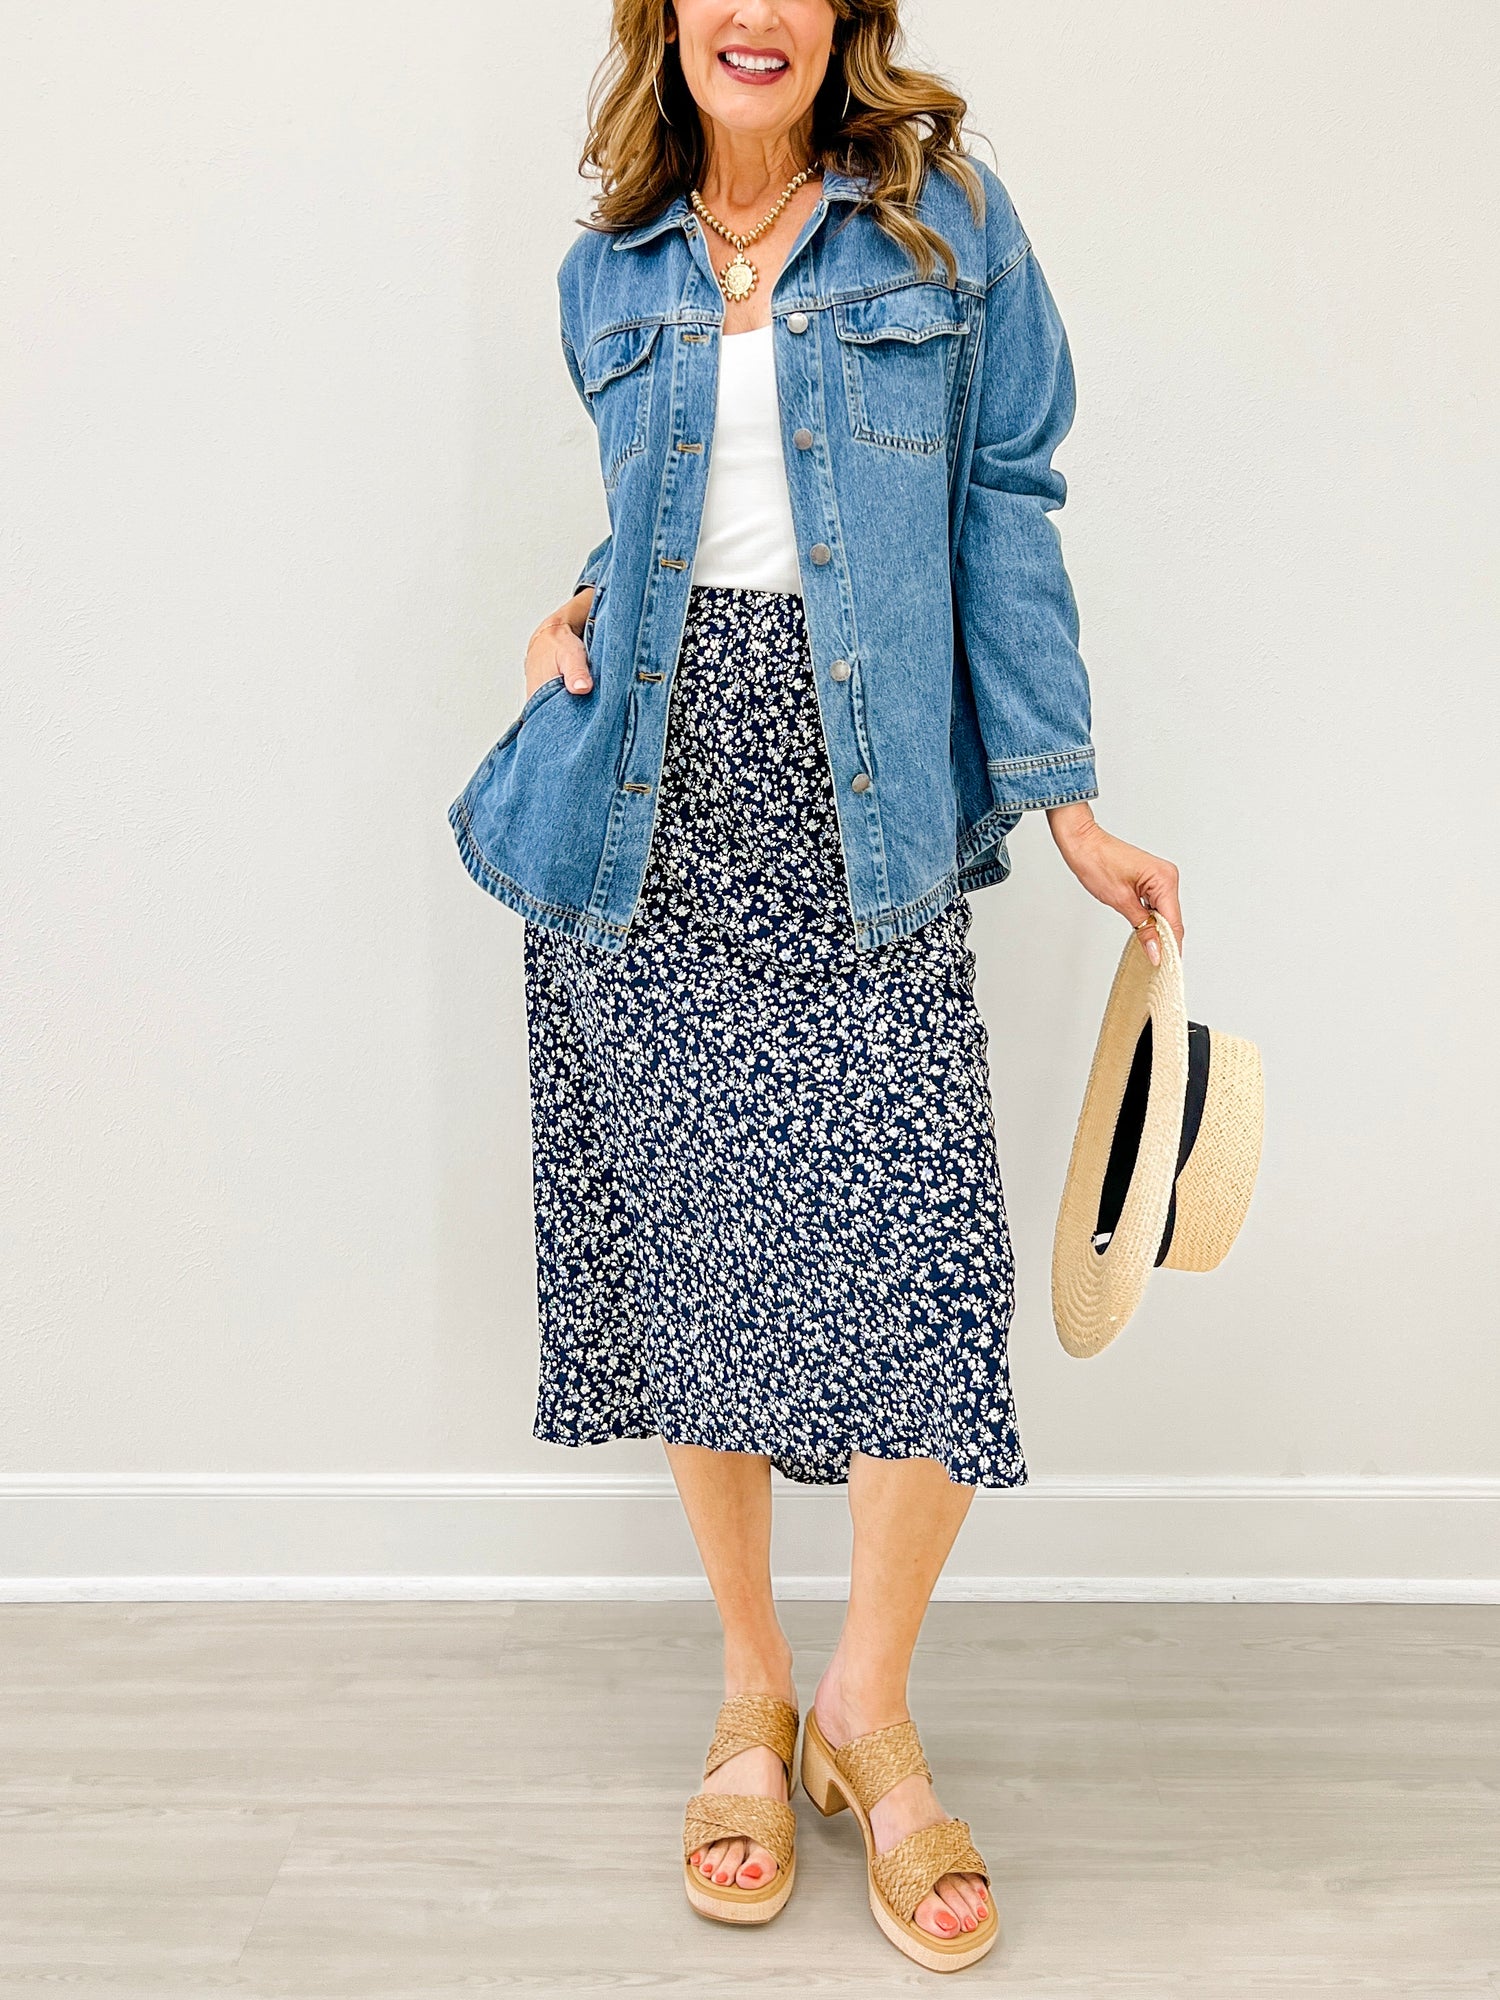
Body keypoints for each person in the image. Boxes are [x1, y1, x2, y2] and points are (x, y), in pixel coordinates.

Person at [448, 0, 1183, 1971]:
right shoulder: (609, 269)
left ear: (846, 15)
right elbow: (682, 508)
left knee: (922, 1271)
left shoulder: (944, 224)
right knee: (699, 1263)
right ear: (668, 18)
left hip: (863, 814)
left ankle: (870, 1702)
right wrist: (578, 607)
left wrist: (1068, 797)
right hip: (647, 817)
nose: (754, 14)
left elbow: (1001, 506)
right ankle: (753, 1697)